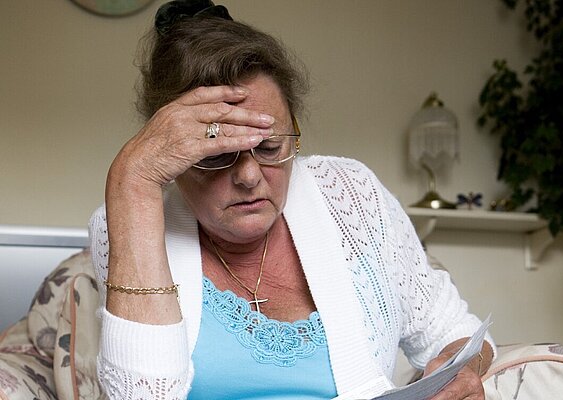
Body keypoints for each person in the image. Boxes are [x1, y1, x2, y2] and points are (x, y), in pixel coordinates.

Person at [89, 1, 496, 399]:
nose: (249, 177)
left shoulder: (351, 193)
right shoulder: (128, 221)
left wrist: (458, 374)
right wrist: (133, 177)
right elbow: (139, 395)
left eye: (268, 147)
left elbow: (458, 333)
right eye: (216, 155)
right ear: (173, 157)